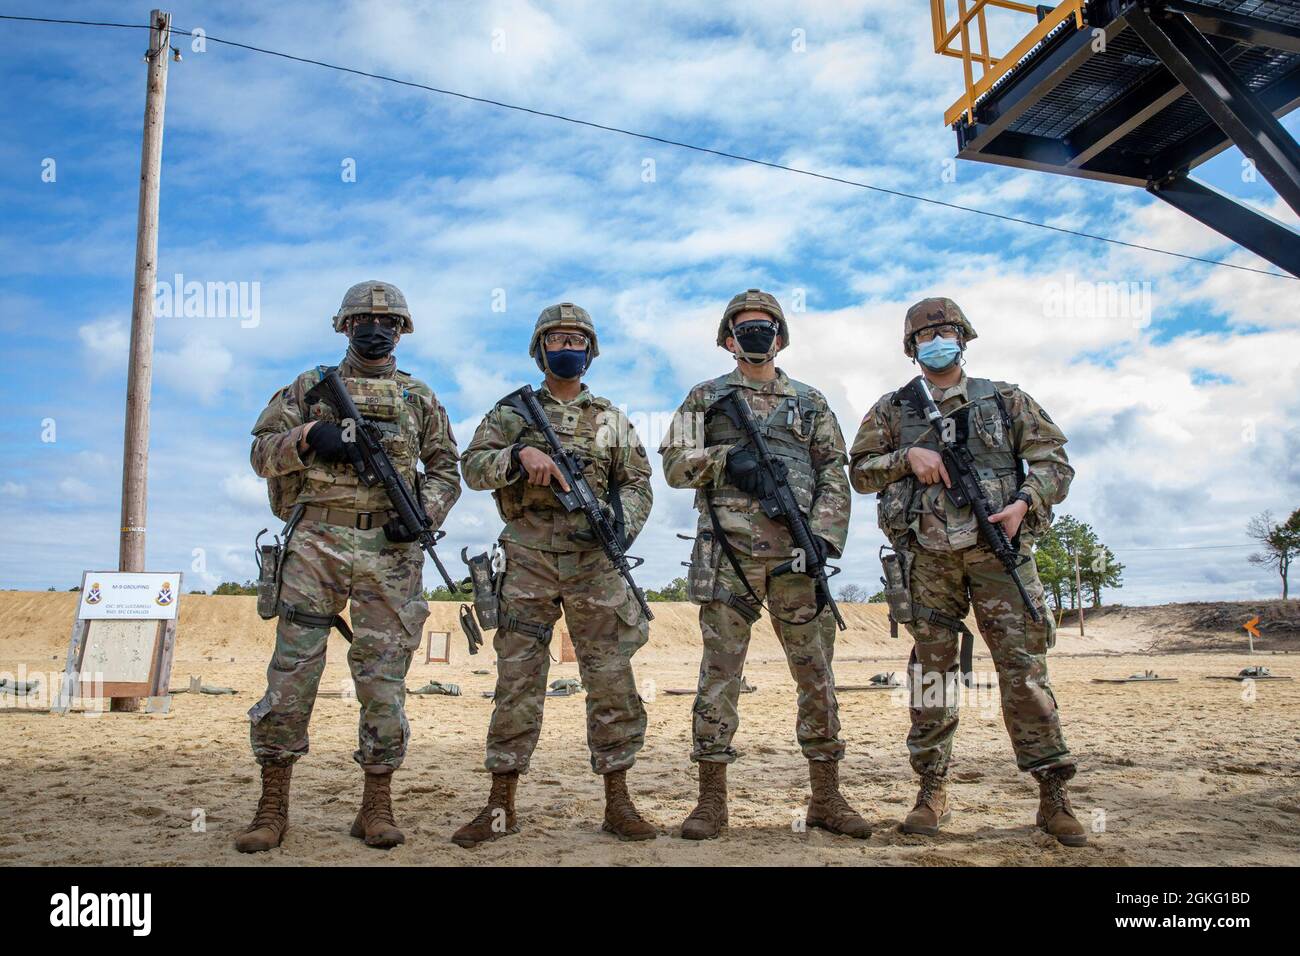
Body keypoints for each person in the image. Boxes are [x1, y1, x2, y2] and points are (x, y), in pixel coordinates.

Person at [848, 297, 1085, 847]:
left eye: (947, 330)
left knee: (1023, 670)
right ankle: (931, 790)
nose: (938, 340)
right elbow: (859, 472)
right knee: (933, 673)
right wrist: (908, 458)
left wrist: (1025, 502)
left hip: (998, 551)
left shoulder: (1005, 400)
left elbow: (1055, 463)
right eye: (927, 334)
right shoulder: (891, 409)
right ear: (911, 347)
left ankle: (1053, 795)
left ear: (964, 337)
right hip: (927, 559)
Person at [236, 280, 461, 852]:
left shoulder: (420, 398)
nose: (376, 329)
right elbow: (261, 452)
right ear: (343, 325)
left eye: (388, 322)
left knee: (383, 681)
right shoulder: (309, 387)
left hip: (390, 551)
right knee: (292, 677)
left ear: (402, 332)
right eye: (364, 319)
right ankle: (272, 805)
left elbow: (447, 470)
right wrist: (311, 434)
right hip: (316, 542)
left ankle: (376, 805)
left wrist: (421, 515)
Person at [659, 288, 870, 841]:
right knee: (719, 677)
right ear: (729, 339)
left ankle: (826, 796)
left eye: (766, 326)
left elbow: (834, 472)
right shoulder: (705, 397)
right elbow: (676, 467)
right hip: (727, 556)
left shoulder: (811, 401)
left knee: (816, 677)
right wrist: (727, 458)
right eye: (745, 328)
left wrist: (823, 538)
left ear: (780, 336)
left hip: (798, 558)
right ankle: (711, 803)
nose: (757, 335)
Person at [453, 303, 655, 846]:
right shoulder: (511, 412)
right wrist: (519, 455)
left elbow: (638, 482)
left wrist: (617, 524)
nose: (567, 347)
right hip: (528, 557)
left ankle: (618, 803)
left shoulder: (611, 418)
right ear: (540, 349)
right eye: (557, 339)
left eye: (577, 339)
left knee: (610, 678)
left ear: (590, 351)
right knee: (517, 680)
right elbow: (471, 467)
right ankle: (501, 807)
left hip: (594, 562)